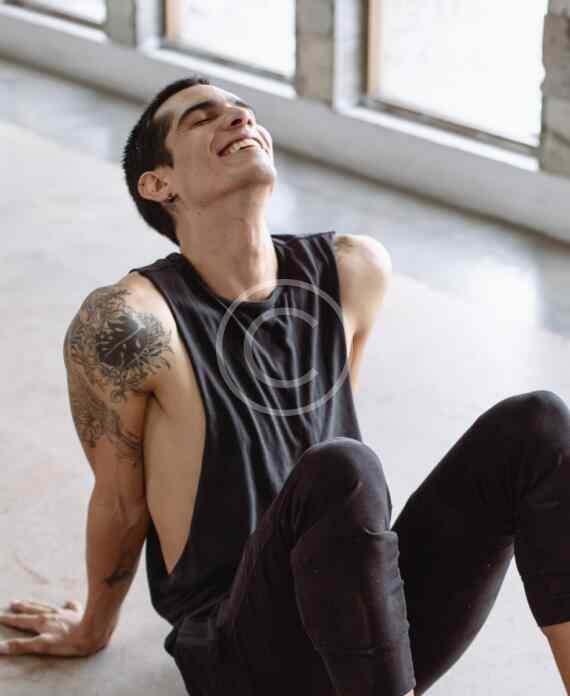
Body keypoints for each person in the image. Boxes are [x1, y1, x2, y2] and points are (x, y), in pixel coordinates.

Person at [1, 75, 570, 696]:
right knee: (343, 469)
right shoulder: (131, 322)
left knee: (537, 423)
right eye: (202, 117)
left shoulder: (353, 270)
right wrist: (92, 628)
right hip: (240, 650)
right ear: (159, 184)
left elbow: (327, 432)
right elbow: (120, 502)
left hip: (365, 626)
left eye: (244, 111)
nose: (239, 118)